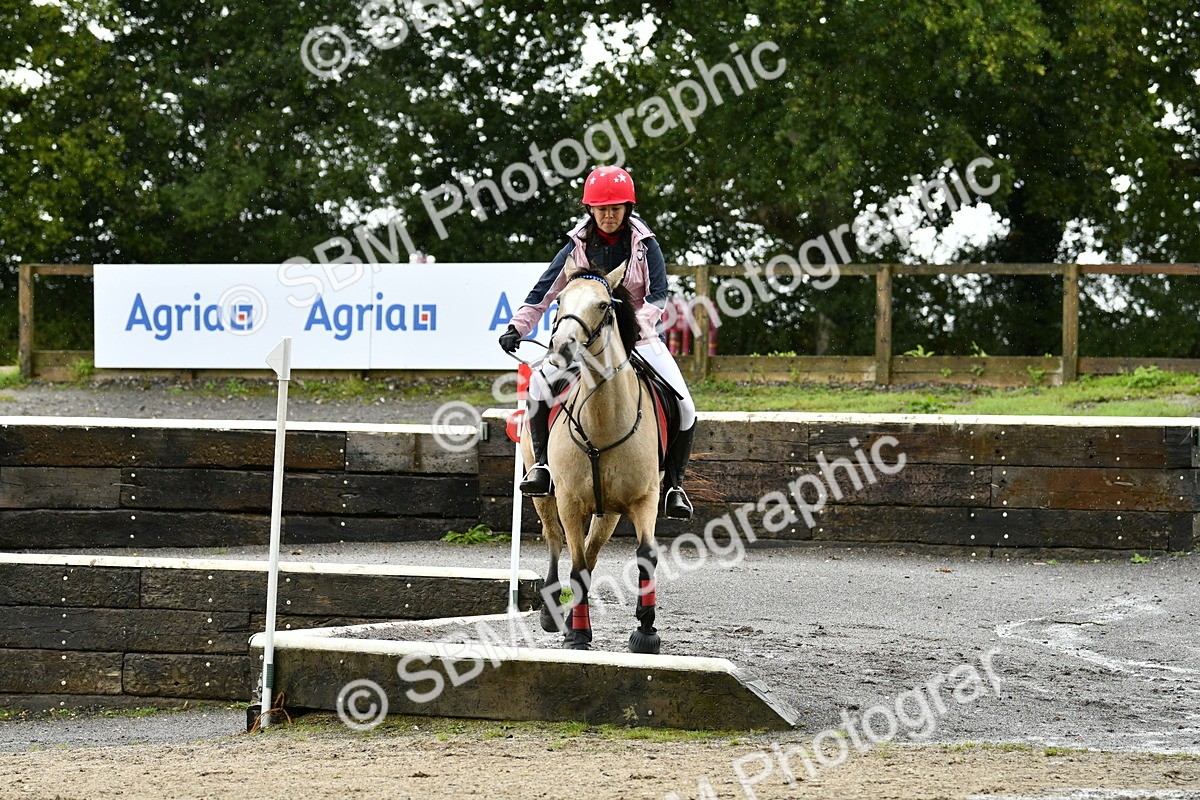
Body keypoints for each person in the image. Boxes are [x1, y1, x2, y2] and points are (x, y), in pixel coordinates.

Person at [498, 165, 696, 520]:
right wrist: (518, 326)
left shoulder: (644, 244)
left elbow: (659, 296)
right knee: (540, 388)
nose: (608, 215)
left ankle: (674, 486)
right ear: (589, 209)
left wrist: (630, 328)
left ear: (627, 209)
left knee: (685, 405)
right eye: (601, 208)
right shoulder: (576, 246)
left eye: (616, 208)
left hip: (640, 339)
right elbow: (544, 293)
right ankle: (542, 466)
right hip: (585, 342)